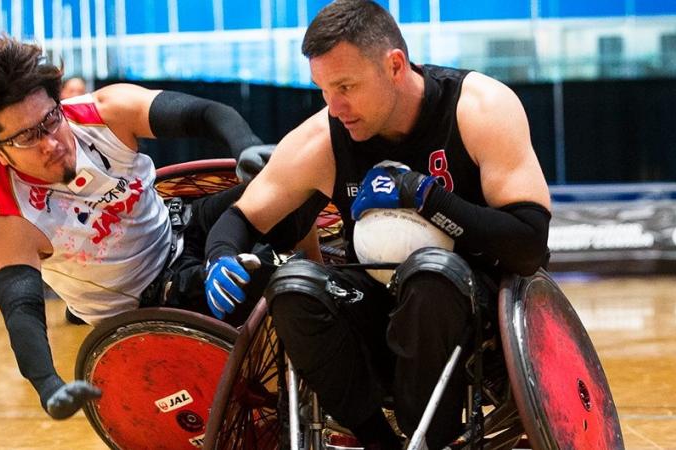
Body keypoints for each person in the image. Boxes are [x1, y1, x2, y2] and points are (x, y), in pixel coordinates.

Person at [202, 1, 551, 448]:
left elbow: (529, 247)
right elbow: (240, 216)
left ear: (395, 65)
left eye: (346, 85)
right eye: (323, 89)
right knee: (293, 286)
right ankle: (379, 442)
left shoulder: (479, 107)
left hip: (475, 310)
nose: (335, 106)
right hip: (378, 303)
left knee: (430, 274)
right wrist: (220, 256)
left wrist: (427, 197)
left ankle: (429, 435)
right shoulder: (324, 137)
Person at [0, 35, 320, 421]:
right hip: (150, 301)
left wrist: (245, 145)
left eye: (50, 120)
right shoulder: (9, 220)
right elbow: (21, 312)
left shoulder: (105, 110)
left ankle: (331, 280)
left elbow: (206, 113)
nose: (51, 142)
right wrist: (48, 384)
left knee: (296, 184)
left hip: (183, 224)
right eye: (26, 136)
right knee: (284, 284)